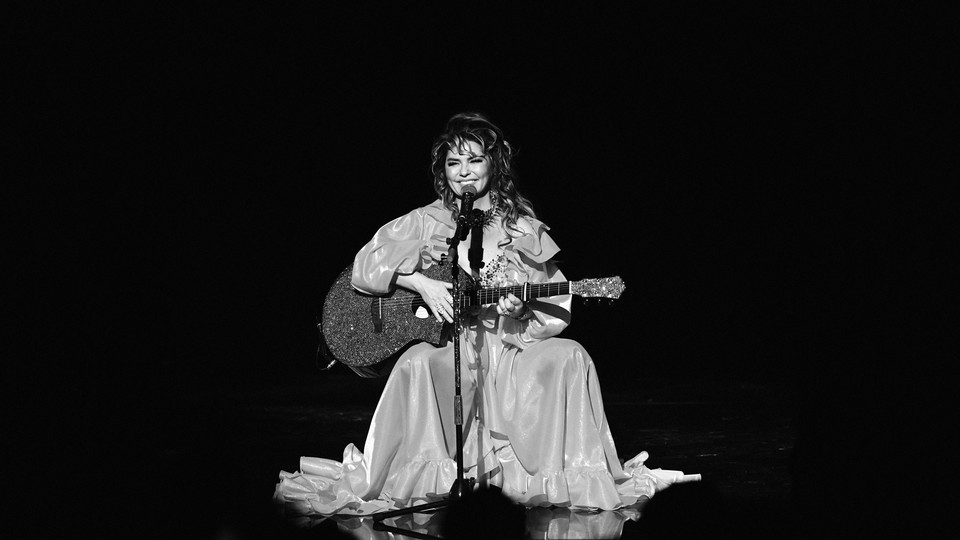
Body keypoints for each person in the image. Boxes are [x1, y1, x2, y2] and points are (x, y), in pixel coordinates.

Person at [274, 112, 696, 517]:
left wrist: (521, 308)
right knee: (418, 362)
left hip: (509, 349)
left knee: (570, 355)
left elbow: (550, 309)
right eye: (454, 162)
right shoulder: (427, 220)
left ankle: (557, 477)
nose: (464, 171)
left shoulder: (522, 227)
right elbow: (365, 267)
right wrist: (420, 282)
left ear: (495, 163)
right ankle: (427, 483)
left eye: (475, 159)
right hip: (450, 343)